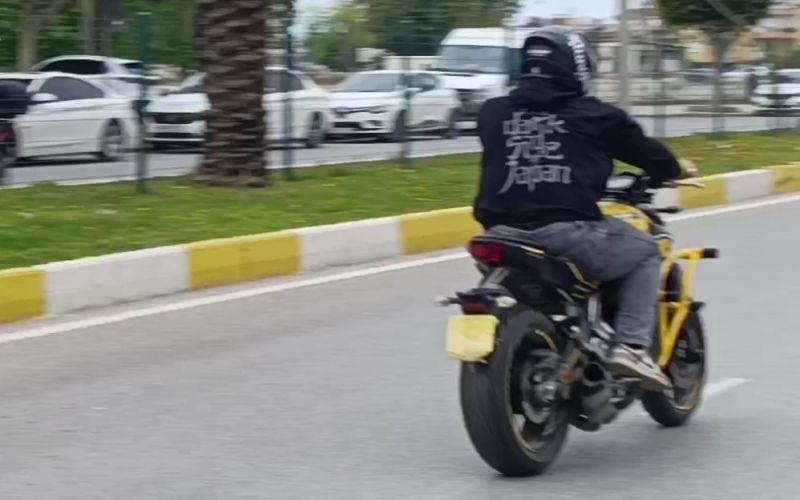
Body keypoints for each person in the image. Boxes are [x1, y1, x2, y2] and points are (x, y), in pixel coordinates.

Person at [472, 26, 697, 391]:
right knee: (645, 251)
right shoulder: (596, 115)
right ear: (578, 70)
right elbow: (651, 156)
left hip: (497, 236)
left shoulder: (492, 112)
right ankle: (631, 347)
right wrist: (673, 169)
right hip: (565, 233)